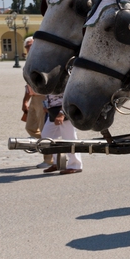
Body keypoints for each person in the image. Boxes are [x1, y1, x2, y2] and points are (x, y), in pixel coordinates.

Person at [22, 39, 54, 168]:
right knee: (30, 127)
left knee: (44, 128)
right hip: (34, 98)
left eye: (31, 45)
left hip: (43, 98)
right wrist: (25, 101)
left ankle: (49, 159)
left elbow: (49, 81)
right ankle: (52, 143)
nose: (29, 48)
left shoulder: (43, 60)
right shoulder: (28, 63)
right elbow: (28, 85)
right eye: (27, 46)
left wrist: (49, 101)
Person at [42, 92, 82, 174]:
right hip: (52, 110)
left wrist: (62, 113)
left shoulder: (64, 79)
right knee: (46, 136)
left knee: (70, 138)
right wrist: (45, 104)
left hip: (65, 110)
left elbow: (69, 95)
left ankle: (75, 165)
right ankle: (58, 162)